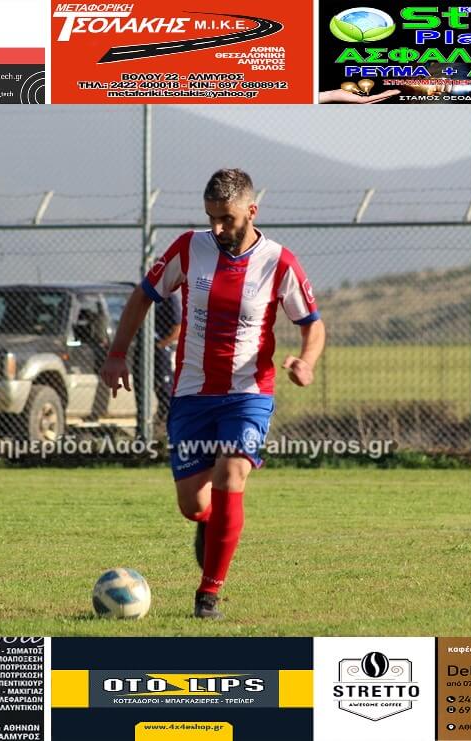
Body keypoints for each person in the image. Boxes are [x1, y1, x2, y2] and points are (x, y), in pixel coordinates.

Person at [100, 169, 326, 618]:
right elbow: (143, 296)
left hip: (249, 394)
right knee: (194, 504)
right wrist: (117, 353)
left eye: (227, 218)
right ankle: (209, 523)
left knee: (231, 475)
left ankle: (208, 595)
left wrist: (307, 361)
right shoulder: (189, 247)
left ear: (252, 211)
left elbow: (312, 325)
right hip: (192, 395)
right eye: (211, 218)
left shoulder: (280, 262)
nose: (218, 228)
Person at [154, 289, 181, 421]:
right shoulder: (148, 296)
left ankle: (168, 415)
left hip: (164, 348)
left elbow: (177, 328)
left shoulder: (170, 298)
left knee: (165, 384)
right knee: (156, 383)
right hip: (154, 347)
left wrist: (162, 344)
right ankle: (161, 415)